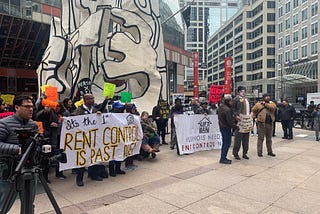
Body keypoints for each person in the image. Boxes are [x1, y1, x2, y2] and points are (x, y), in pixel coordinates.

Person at [0, 95, 39, 213]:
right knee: (3, 205)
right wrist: (18, 149)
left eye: (32, 106)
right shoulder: (4, 124)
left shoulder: (33, 125)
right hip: (10, 171)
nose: (31, 109)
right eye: (26, 106)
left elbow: (36, 145)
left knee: (28, 204)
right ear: (16, 107)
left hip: (29, 169)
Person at [72, 93, 106, 186]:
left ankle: (93, 175)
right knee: (82, 159)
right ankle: (79, 179)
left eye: (93, 98)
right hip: (83, 139)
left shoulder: (94, 110)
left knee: (94, 157)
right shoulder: (78, 111)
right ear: (85, 100)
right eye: (90, 99)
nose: (93, 100)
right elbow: (73, 121)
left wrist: (99, 115)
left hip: (93, 138)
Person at [217, 96, 238, 164]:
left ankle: (223, 157)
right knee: (226, 143)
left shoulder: (221, 107)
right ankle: (223, 158)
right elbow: (230, 122)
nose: (232, 103)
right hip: (226, 128)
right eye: (231, 101)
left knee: (225, 143)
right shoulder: (227, 110)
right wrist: (236, 127)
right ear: (228, 101)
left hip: (222, 126)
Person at [231, 86, 250, 160]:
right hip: (240, 121)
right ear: (239, 92)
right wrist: (236, 115)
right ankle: (235, 153)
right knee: (238, 138)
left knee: (246, 139)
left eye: (245, 91)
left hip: (247, 121)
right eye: (242, 91)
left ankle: (245, 153)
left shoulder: (246, 99)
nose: (244, 92)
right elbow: (232, 109)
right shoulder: (236, 99)